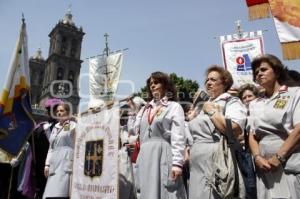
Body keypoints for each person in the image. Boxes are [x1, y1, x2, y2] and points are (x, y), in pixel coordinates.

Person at [188, 65, 247, 198]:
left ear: (224, 82)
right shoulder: (202, 105)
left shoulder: (231, 101)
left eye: (213, 80)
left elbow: (235, 129)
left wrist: (212, 111)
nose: (208, 82)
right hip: (197, 161)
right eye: (207, 80)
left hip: (216, 158)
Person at [248, 54, 300, 199]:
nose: (259, 74)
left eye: (263, 69)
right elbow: (252, 134)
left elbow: (299, 129)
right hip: (264, 166)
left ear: (276, 72)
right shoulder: (254, 103)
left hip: (289, 160)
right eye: (256, 72)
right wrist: (257, 157)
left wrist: (279, 157)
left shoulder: (294, 93)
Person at [134, 71, 186, 199]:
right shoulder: (144, 109)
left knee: (165, 192)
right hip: (145, 155)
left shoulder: (173, 107)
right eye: (151, 83)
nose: (152, 86)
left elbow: (178, 136)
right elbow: (135, 131)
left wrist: (177, 163)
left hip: (162, 153)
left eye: (156, 82)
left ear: (166, 85)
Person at [43, 103, 76, 199]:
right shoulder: (54, 128)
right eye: (57, 111)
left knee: (61, 193)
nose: (59, 113)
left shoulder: (73, 125)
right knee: (51, 193)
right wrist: (47, 164)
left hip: (66, 163)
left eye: (62, 111)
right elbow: (51, 147)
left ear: (68, 113)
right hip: (54, 164)